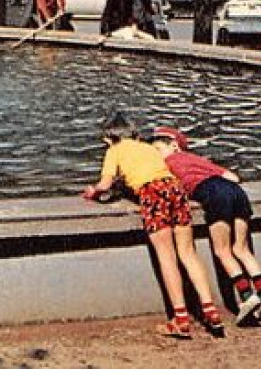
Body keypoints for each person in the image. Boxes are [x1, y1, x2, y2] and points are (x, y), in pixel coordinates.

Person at [81, 113, 224, 339]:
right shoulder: (148, 148)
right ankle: (210, 310)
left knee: (166, 257)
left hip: (152, 193)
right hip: (175, 189)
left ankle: (180, 319)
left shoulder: (114, 151)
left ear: (108, 138)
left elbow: (105, 184)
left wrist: (93, 192)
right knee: (188, 253)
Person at [150, 126, 261, 322]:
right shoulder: (199, 160)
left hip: (213, 194)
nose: (155, 155)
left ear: (175, 146)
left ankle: (247, 296)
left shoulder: (165, 164)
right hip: (236, 192)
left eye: (157, 150)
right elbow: (233, 177)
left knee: (223, 250)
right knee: (242, 249)